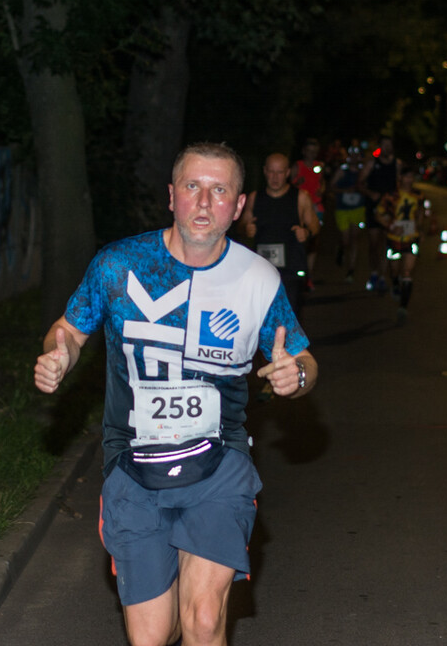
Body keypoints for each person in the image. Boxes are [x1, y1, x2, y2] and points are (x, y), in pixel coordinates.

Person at [33, 142, 318, 646]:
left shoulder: (257, 279)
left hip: (219, 463)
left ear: (238, 204)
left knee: (204, 621)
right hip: (133, 466)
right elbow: (69, 331)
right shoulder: (118, 264)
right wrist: (60, 356)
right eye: (192, 186)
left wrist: (296, 376)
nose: (204, 202)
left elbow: (304, 359)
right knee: (153, 637)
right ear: (171, 195)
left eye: (219, 190)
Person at [239, 152, 321, 316]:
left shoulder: (300, 197)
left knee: (288, 317)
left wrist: (306, 232)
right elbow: (241, 226)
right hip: (262, 270)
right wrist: (246, 229)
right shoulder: (255, 198)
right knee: (263, 319)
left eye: (280, 172)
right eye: (271, 172)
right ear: (265, 171)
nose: (275, 177)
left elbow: (315, 225)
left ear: (288, 173)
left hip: (291, 269)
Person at [373, 163, 427, 323]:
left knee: (408, 271)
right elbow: (378, 214)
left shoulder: (418, 195)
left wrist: (420, 230)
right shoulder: (391, 196)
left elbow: (420, 213)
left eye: (412, 177)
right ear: (400, 178)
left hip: (411, 237)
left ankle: (403, 306)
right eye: (406, 177)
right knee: (394, 269)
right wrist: (390, 226)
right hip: (394, 238)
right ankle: (395, 283)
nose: (409, 180)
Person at [357, 135, 402, 293]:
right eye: (384, 145)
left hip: (389, 210)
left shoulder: (397, 164)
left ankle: (382, 276)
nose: (387, 148)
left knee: (387, 244)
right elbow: (359, 184)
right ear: (380, 147)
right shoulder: (371, 164)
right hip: (373, 208)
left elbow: (400, 185)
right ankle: (374, 272)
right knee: (373, 244)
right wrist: (371, 194)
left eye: (389, 145)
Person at [290, 138, 326, 285]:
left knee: (313, 241)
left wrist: (322, 189)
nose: (312, 154)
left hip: (316, 206)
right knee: (300, 240)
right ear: (304, 151)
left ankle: (308, 276)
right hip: (300, 207)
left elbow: (322, 182)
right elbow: (288, 185)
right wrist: (296, 183)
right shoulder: (297, 166)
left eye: (314, 152)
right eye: (309, 151)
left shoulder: (319, 166)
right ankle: (298, 272)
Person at [329, 147, 366, 283]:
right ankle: (341, 248)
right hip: (342, 209)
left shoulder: (363, 171)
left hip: (358, 209)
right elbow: (331, 186)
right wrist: (345, 190)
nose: (355, 157)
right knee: (346, 240)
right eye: (352, 155)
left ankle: (351, 269)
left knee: (354, 239)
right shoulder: (342, 170)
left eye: (357, 155)